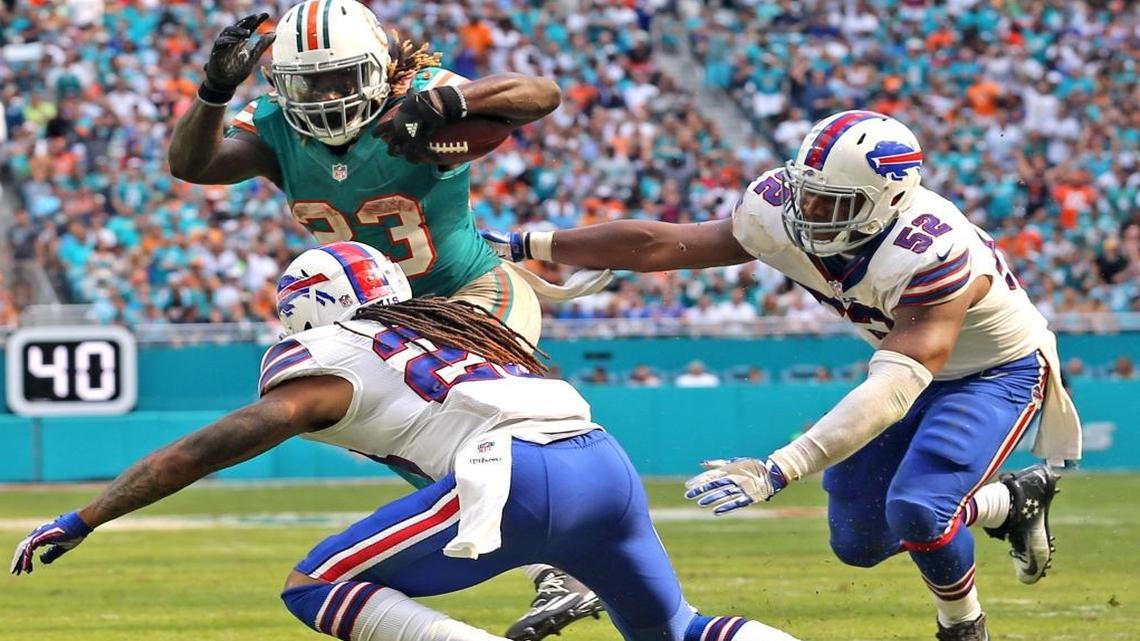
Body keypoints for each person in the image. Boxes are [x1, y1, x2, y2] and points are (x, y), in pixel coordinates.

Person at [485, 110, 1083, 640]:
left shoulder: (934, 249)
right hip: (910, 370)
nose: (810, 213)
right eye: (807, 193)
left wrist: (778, 469)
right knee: (858, 541)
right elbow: (666, 244)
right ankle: (1009, 501)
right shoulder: (780, 205)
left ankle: (963, 626)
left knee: (919, 508)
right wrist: (527, 243)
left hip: (990, 373)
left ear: (890, 201)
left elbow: (897, 384)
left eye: (833, 203)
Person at [11, 242, 801, 641]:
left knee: (314, 583)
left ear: (309, 309)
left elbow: (207, 447)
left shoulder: (328, 357)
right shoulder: (448, 327)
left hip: (518, 470)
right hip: (604, 461)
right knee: (678, 630)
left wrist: (86, 516)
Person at [166, 5, 605, 634]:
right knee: (413, 441)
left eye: (339, 78)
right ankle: (568, 563)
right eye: (308, 83)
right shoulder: (275, 130)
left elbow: (542, 94)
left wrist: (453, 102)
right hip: (388, 323)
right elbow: (192, 165)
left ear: (376, 70)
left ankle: (571, 565)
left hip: (470, 295)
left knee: (491, 428)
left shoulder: (416, 96)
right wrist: (212, 92)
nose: (323, 96)